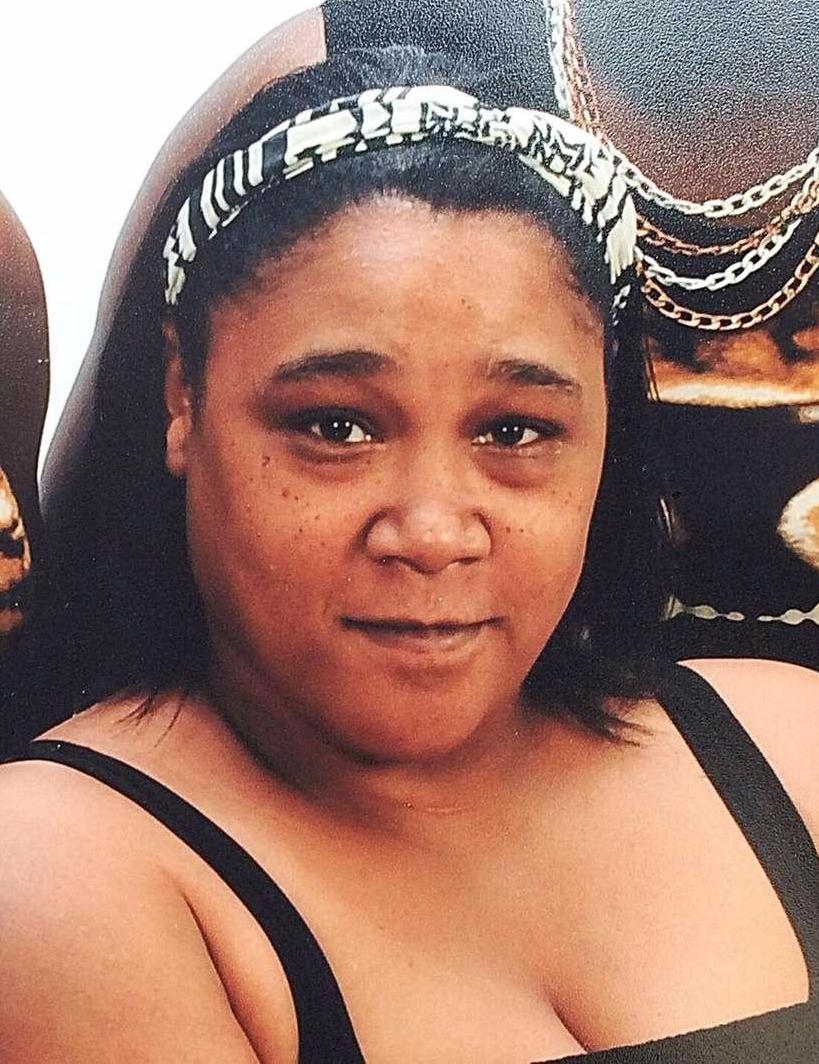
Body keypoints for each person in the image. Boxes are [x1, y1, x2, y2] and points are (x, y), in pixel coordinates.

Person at [2, 43, 818, 1063]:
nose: (433, 532)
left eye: (514, 430)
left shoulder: (788, 742)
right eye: (337, 425)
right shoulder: (57, 867)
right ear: (183, 394)